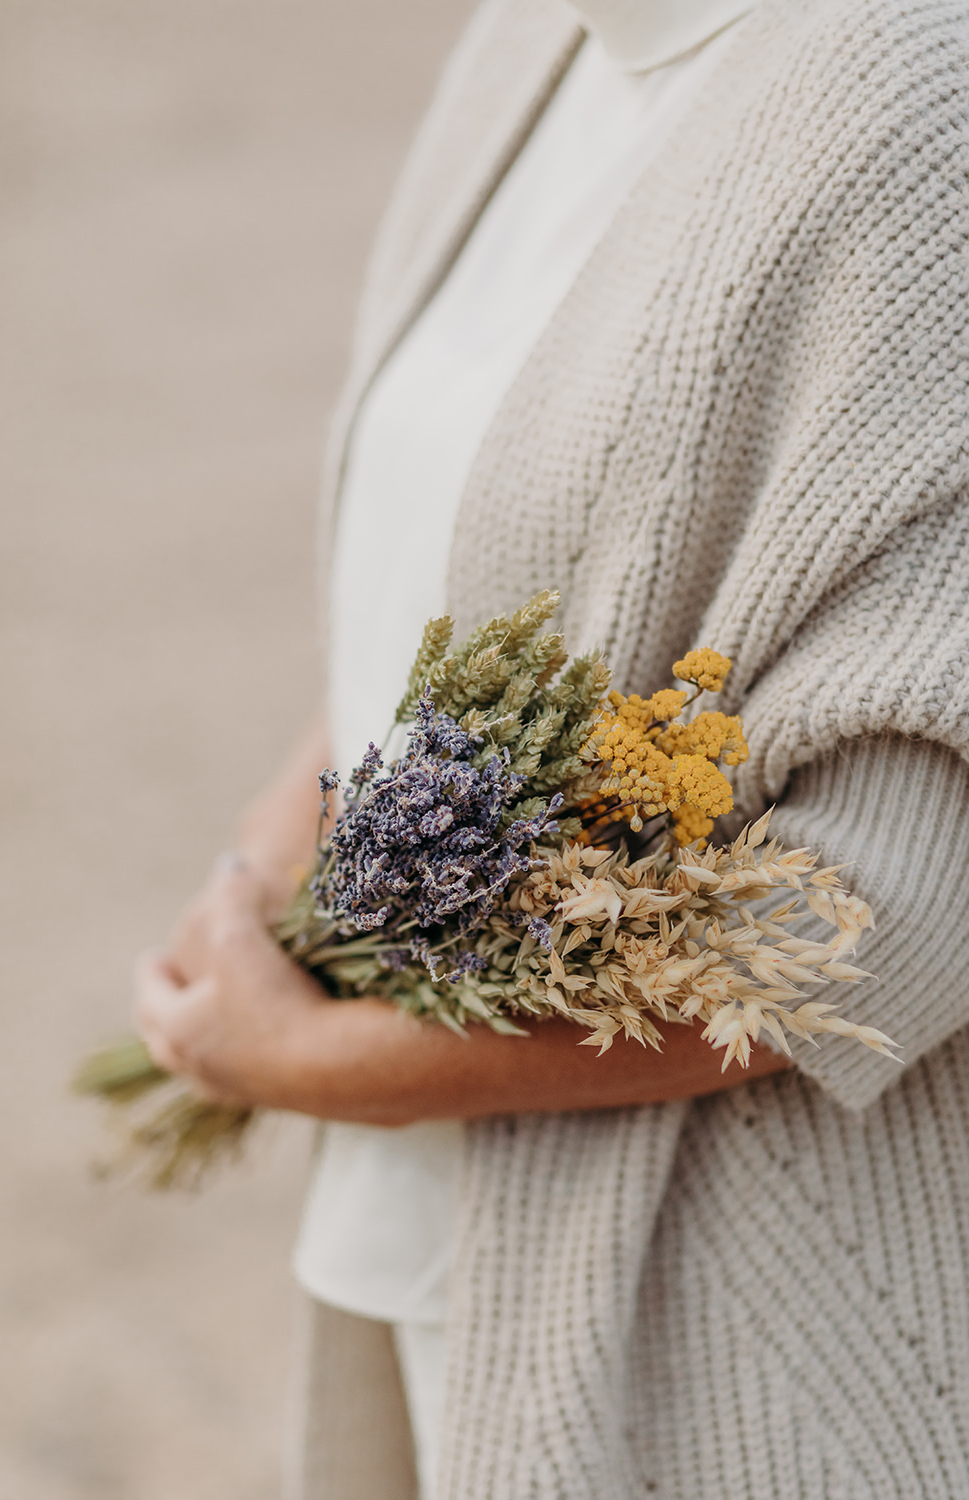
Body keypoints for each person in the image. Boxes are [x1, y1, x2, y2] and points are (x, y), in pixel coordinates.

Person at [136, 0, 969, 1496]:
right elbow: (453, 584)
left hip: (730, 1319)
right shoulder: (535, 38)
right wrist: (260, 872)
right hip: (421, 1224)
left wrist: (319, 1054)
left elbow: (873, 908)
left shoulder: (923, 109)